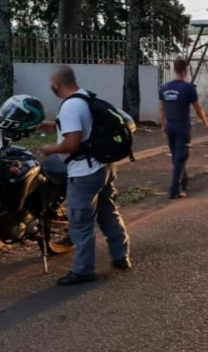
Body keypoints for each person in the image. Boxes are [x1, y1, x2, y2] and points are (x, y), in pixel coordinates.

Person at [40, 65, 130, 286]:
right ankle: (121, 256)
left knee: (80, 222)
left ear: (56, 84)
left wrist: (52, 149)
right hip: (105, 167)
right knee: (108, 213)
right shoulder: (86, 97)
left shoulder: (70, 106)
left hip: (84, 173)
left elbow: (72, 143)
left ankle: (83, 271)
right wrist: (51, 126)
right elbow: (86, 127)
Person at [158, 59, 208, 200]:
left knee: (176, 157)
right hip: (182, 126)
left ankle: (183, 180)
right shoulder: (188, 88)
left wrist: (163, 125)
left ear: (175, 70)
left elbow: (161, 108)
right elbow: (197, 107)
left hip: (170, 126)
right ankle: (174, 190)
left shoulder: (165, 88)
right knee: (180, 158)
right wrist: (204, 120)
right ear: (185, 71)